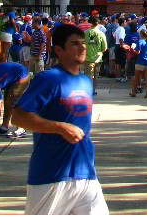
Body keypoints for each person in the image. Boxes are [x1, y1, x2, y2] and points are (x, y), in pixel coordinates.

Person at [11, 24, 109, 215]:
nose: (82, 47)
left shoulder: (86, 82)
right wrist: (59, 127)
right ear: (58, 50)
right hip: (51, 173)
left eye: (83, 43)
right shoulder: (48, 79)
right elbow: (19, 116)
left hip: (85, 171)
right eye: (74, 44)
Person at [82, 16, 107, 95]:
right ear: (98, 24)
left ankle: (88, 90)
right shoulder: (101, 34)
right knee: (96, 75)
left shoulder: (85, 33)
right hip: (98, 57)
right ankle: (93, 90)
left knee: (88, 75)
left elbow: (82, 44)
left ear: (90, 23)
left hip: (88, 56)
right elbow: (105, 48)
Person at [130, 29, 147, 98]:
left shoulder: (140, 41)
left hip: (140, 61)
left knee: (137, 78)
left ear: (141, 34)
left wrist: (133, 50)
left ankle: (134, 92)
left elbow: (137, 52)